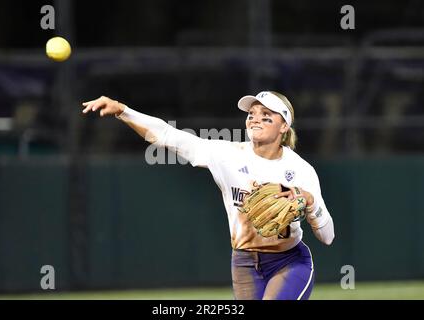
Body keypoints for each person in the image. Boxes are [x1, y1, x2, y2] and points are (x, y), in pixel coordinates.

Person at [81, 91, 335, 300]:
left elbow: (327, 236)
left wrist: (310, 202)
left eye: (266, 115)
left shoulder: (300, 170)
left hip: (289, 261)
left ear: (284, 126)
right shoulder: (228, 154)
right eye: (251, 114)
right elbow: (169, 136)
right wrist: (122, 110)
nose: (255, 119)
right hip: (244, 262)